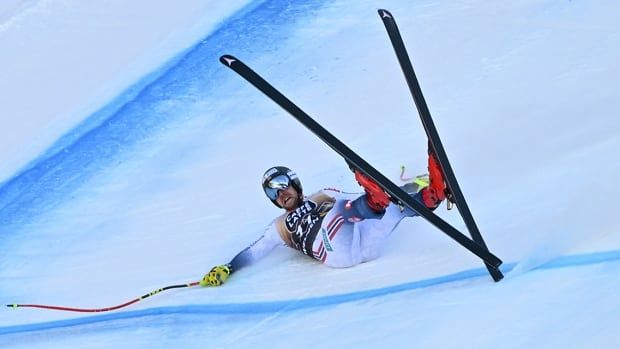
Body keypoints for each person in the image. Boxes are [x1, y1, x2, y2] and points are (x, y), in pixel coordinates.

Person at [199, 151, 448, 287]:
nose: (280, 193)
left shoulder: (323, 194)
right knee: (345, 211)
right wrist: (228, 268)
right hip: (332, 250)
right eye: (272, 192)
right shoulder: (278, 227)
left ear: (295, 183)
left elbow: (353, 199)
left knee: (394, 207)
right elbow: (254, 252)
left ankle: (434, 193)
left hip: (365, 246)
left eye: (282, 185)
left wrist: (401, 193)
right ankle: (375, 193)